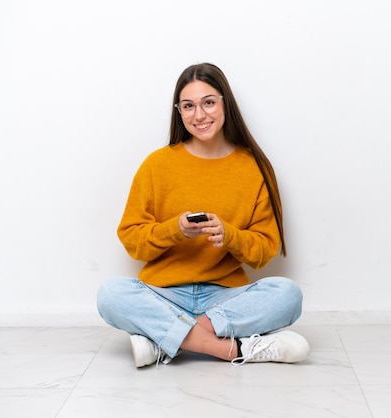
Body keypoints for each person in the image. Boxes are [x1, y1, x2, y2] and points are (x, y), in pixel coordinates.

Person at [97, 63, 309, 368]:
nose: (199, 115)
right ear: (179, 111)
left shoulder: (255, 169)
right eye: (188, 106)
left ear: (225, 103)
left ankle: (165, 341)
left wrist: (229, 236)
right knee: (111, 294)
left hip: (224, 299)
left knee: (288, 294)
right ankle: (231, 349)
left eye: (208, 102)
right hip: (164, 294)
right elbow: (131, 239)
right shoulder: (156, 165)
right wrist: (175, 231)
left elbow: (265, 250)